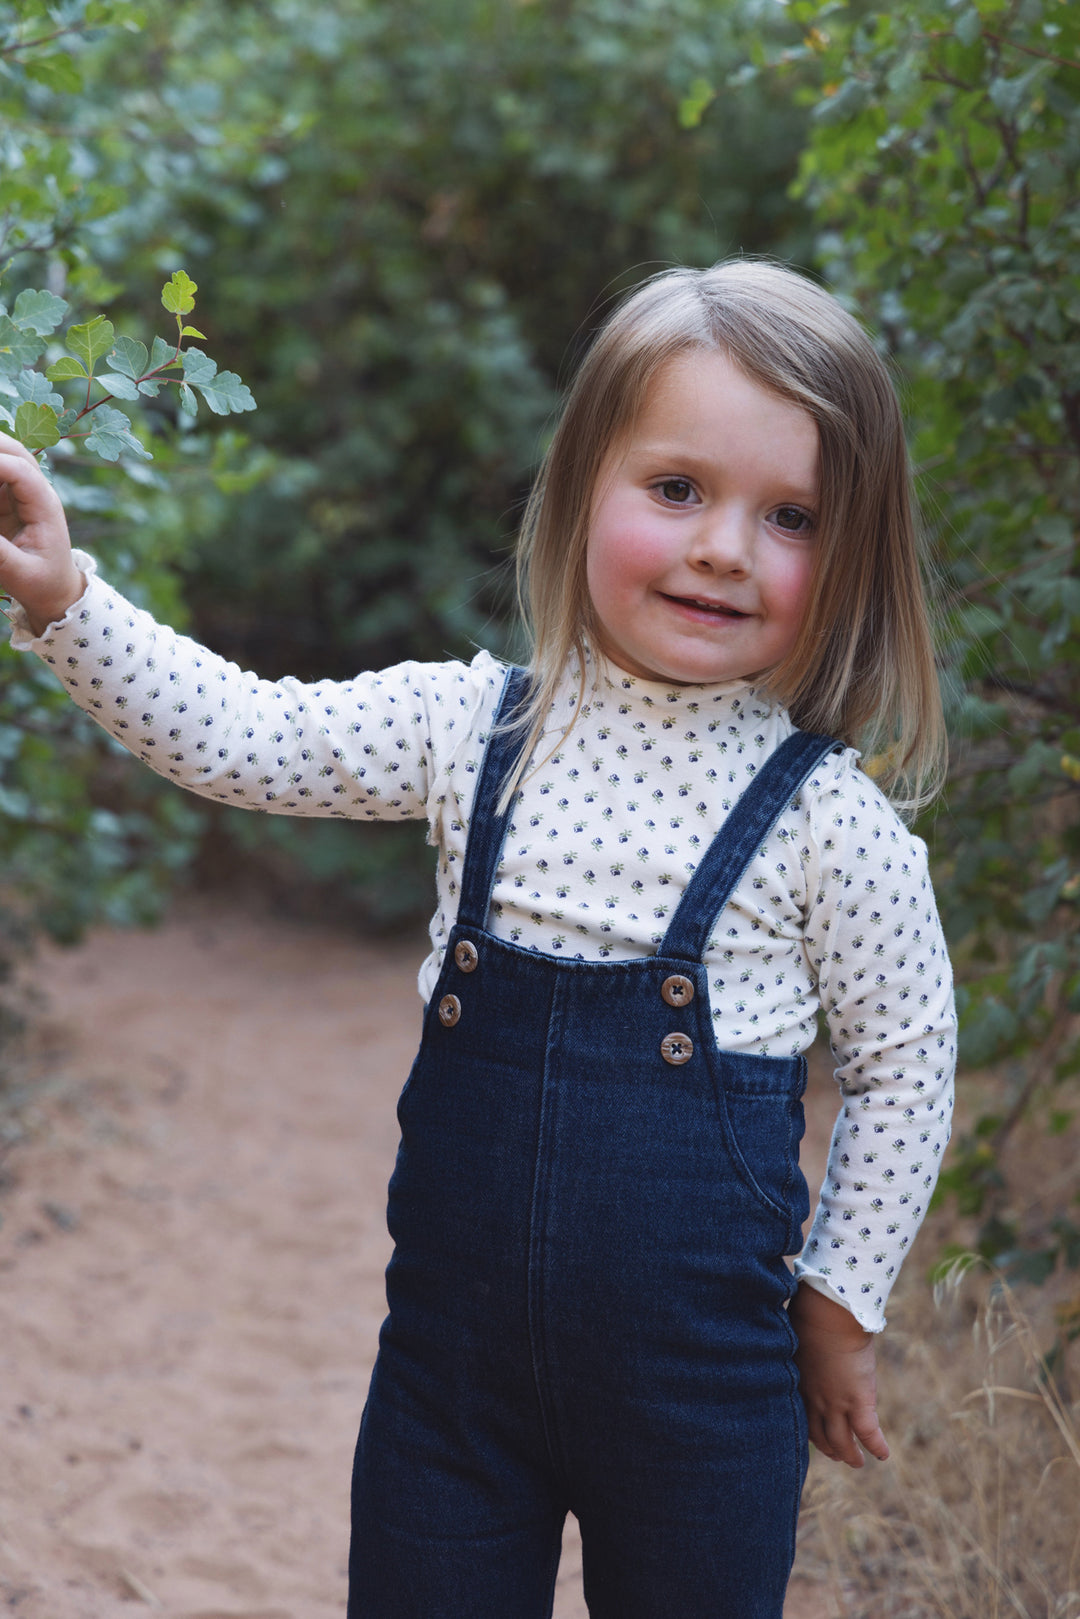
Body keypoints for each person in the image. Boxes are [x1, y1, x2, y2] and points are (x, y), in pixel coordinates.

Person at [0, 259, 955, 1619]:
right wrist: (66, 602)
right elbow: (244, 737)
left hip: (702, 1408)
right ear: (578, 496)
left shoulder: (827, 823)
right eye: (677, 489)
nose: (724, 548)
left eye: (790, 515)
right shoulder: (471, 730)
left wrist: (841, 1306)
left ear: (846, 554)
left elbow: (907, 1061)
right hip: (449, 1392)